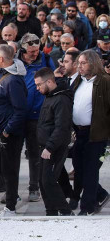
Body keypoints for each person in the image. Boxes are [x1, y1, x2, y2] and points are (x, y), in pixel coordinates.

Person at [0, 44, 28, 216]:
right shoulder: (4, 76)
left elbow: (20, 109)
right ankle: (12, 197)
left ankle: (10, 206)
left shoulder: (14, 80)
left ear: (1, 59)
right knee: (2, 167)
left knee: (9, 169)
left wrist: (7, 130)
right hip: (0, 132)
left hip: (8, 134)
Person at [17, 33, 56, 203]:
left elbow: (54, 84)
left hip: (38, 116)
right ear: (23, 49)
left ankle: (34, 187)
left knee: (34, 153)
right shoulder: (16, 61)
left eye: (36, 50)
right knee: (10, 155)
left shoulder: (46, 60)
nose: (34, 54)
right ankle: (10, 189)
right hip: (17, 115)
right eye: (31, 51)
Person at [70, 50, 110, 215]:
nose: (79, 66)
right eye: (78, 63)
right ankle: (100, 194)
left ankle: (87, 207)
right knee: (79, 169)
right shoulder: (78, 80)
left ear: (93, 63)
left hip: (97, 134)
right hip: (79, 132)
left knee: (91, 170)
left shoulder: (105, 81)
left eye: (83, 63)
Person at [33, 67, 74, 216]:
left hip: (55, 147)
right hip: (45, 145)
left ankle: (66, 211)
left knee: (49, 181)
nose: (37, 88)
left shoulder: (61, 99)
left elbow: (62, 127)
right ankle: (51, 211)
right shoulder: (50, 96)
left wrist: (49, 147)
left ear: (49, 81)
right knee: (42, 182)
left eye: (39, 85)